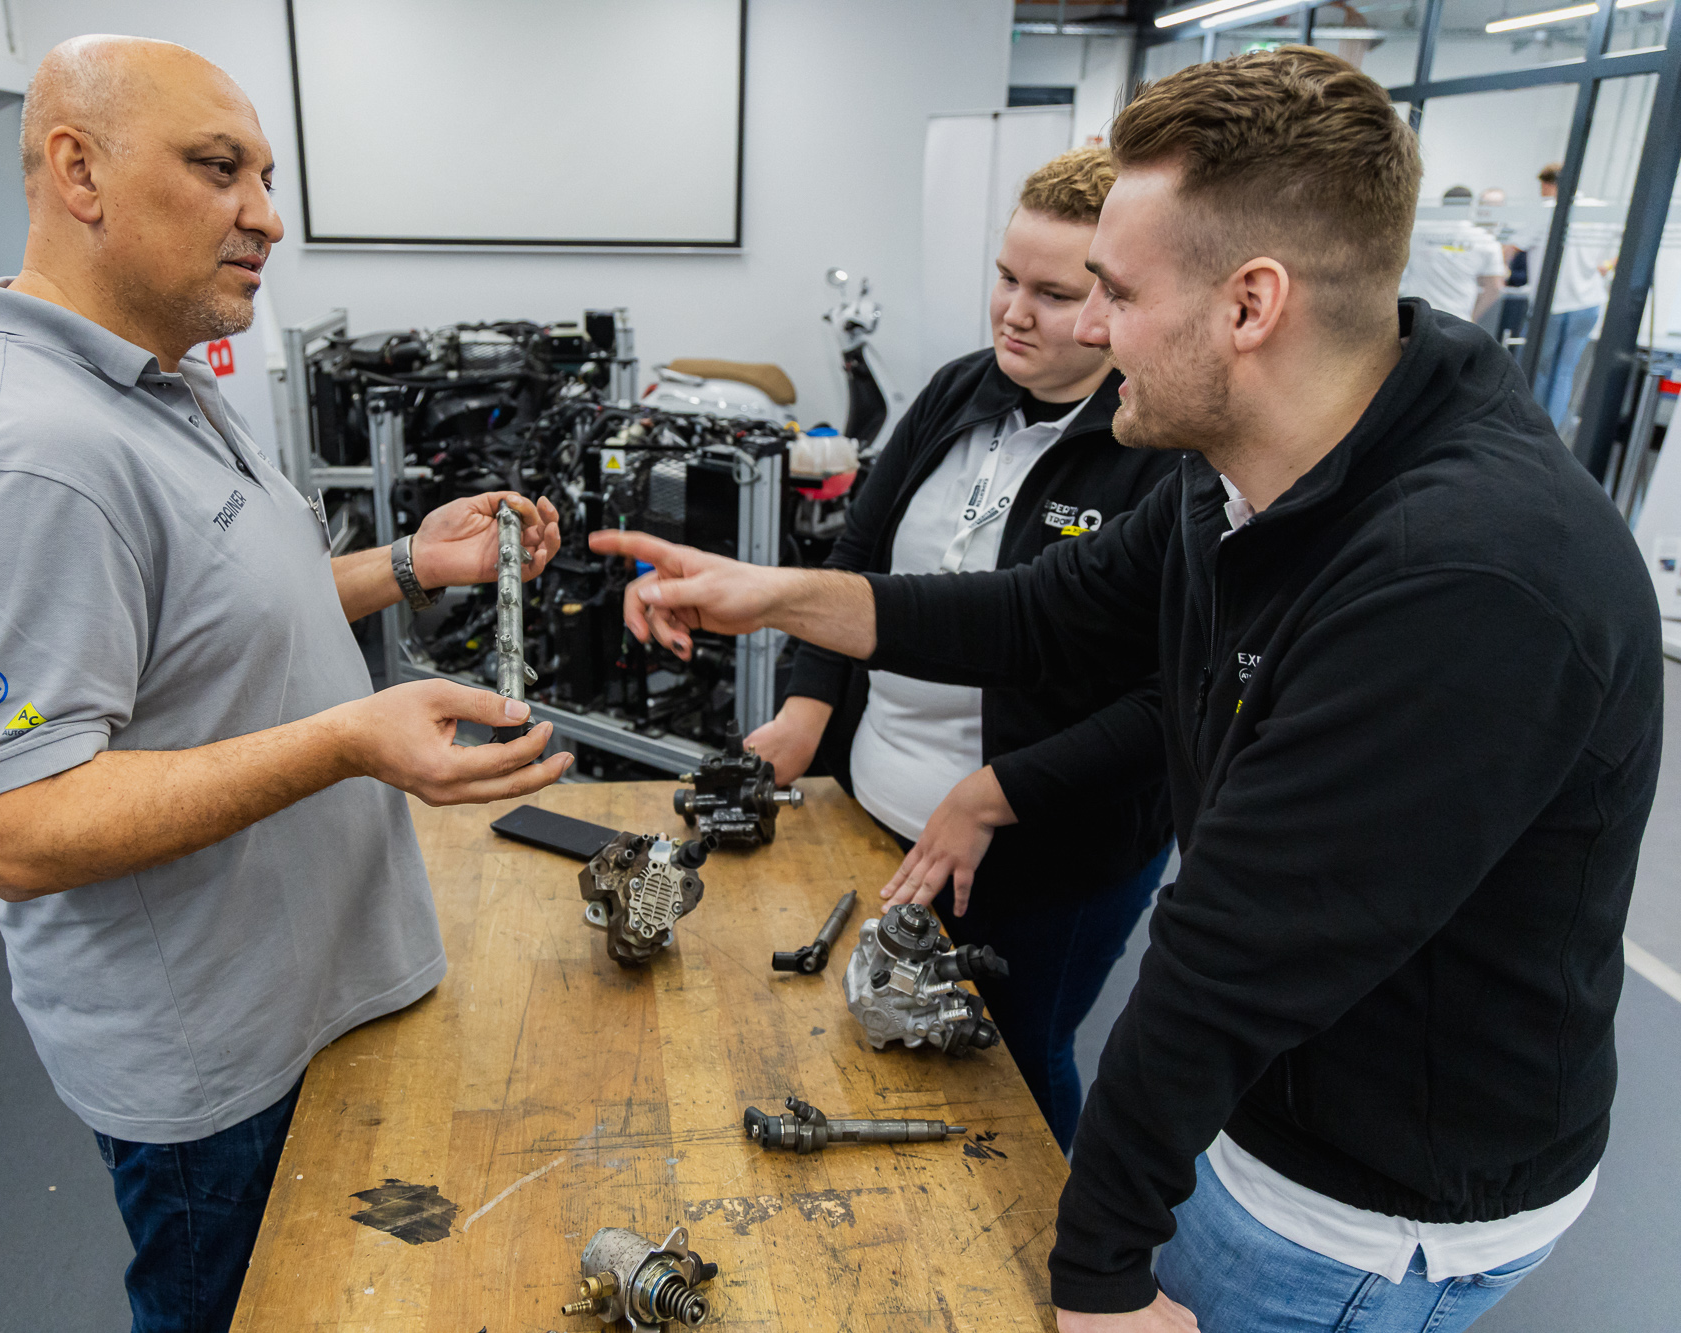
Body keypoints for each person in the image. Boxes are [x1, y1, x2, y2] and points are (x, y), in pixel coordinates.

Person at [593, 46, 1658, 1333]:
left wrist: (1097, 1281)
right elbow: (1036, 613)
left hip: (1353, 1211)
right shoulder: (1242, 470)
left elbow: (1227, 958)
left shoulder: (1463, 577)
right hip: (1255, 1110)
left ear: (1249, 305)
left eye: (1113, 291)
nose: (1087, 329)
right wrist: (771, 594)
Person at [0, 36, 571, 1333]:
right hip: (216, 1063)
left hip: (310, 983)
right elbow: (22, 826)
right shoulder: (23, 452)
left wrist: (409, 564)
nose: (266, 214)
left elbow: (218, 614)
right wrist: (348, 741)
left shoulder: (154, 379)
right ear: (78, 171)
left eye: (265, 174)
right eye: (217, 169)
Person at [745, 146, 1176, 1151]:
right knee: (886, 1034)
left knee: (1011, 1065)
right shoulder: (956, 391)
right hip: (878, 805)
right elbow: (857, 559)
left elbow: (1168, 704)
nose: (1013, 313)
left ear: (1116, 299)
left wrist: (991, 795)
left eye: (1053, 293)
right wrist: (808, 707)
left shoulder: (1160, 449)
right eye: (1005, 277)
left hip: (1041, 849)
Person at [1522, 161, 1619, 428]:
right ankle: (1549, 431)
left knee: (1535, 369)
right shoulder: (1599, 209)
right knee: (1563, 372)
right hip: (1588, 303)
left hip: (1553, 305)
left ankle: (1528, 428)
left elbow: (1511, 249)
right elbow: (1629, 240)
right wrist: (1607, 265)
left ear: (1548, 184)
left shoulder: (1547, 210)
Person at [1398, 212, 1504, 323]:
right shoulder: (1483, 239)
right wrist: (1471, 319)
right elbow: (1495, 288)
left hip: (1415, 316)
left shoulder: (1415, 231)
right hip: (1456, 319)